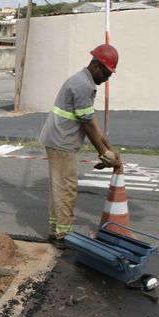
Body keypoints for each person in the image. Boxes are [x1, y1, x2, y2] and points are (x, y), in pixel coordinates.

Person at [39, 44, 122, 245]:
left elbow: (91, 120)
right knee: (66, 189)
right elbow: (88, 125)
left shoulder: (84, 81)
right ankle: (63, 236)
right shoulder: (83, 85)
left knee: (58, 188)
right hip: (62, 142)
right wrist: (103, 152)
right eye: (106, 73)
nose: (107, 78)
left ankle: (55, 230)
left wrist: (108, 148)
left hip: (59, 140)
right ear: (95, 66)